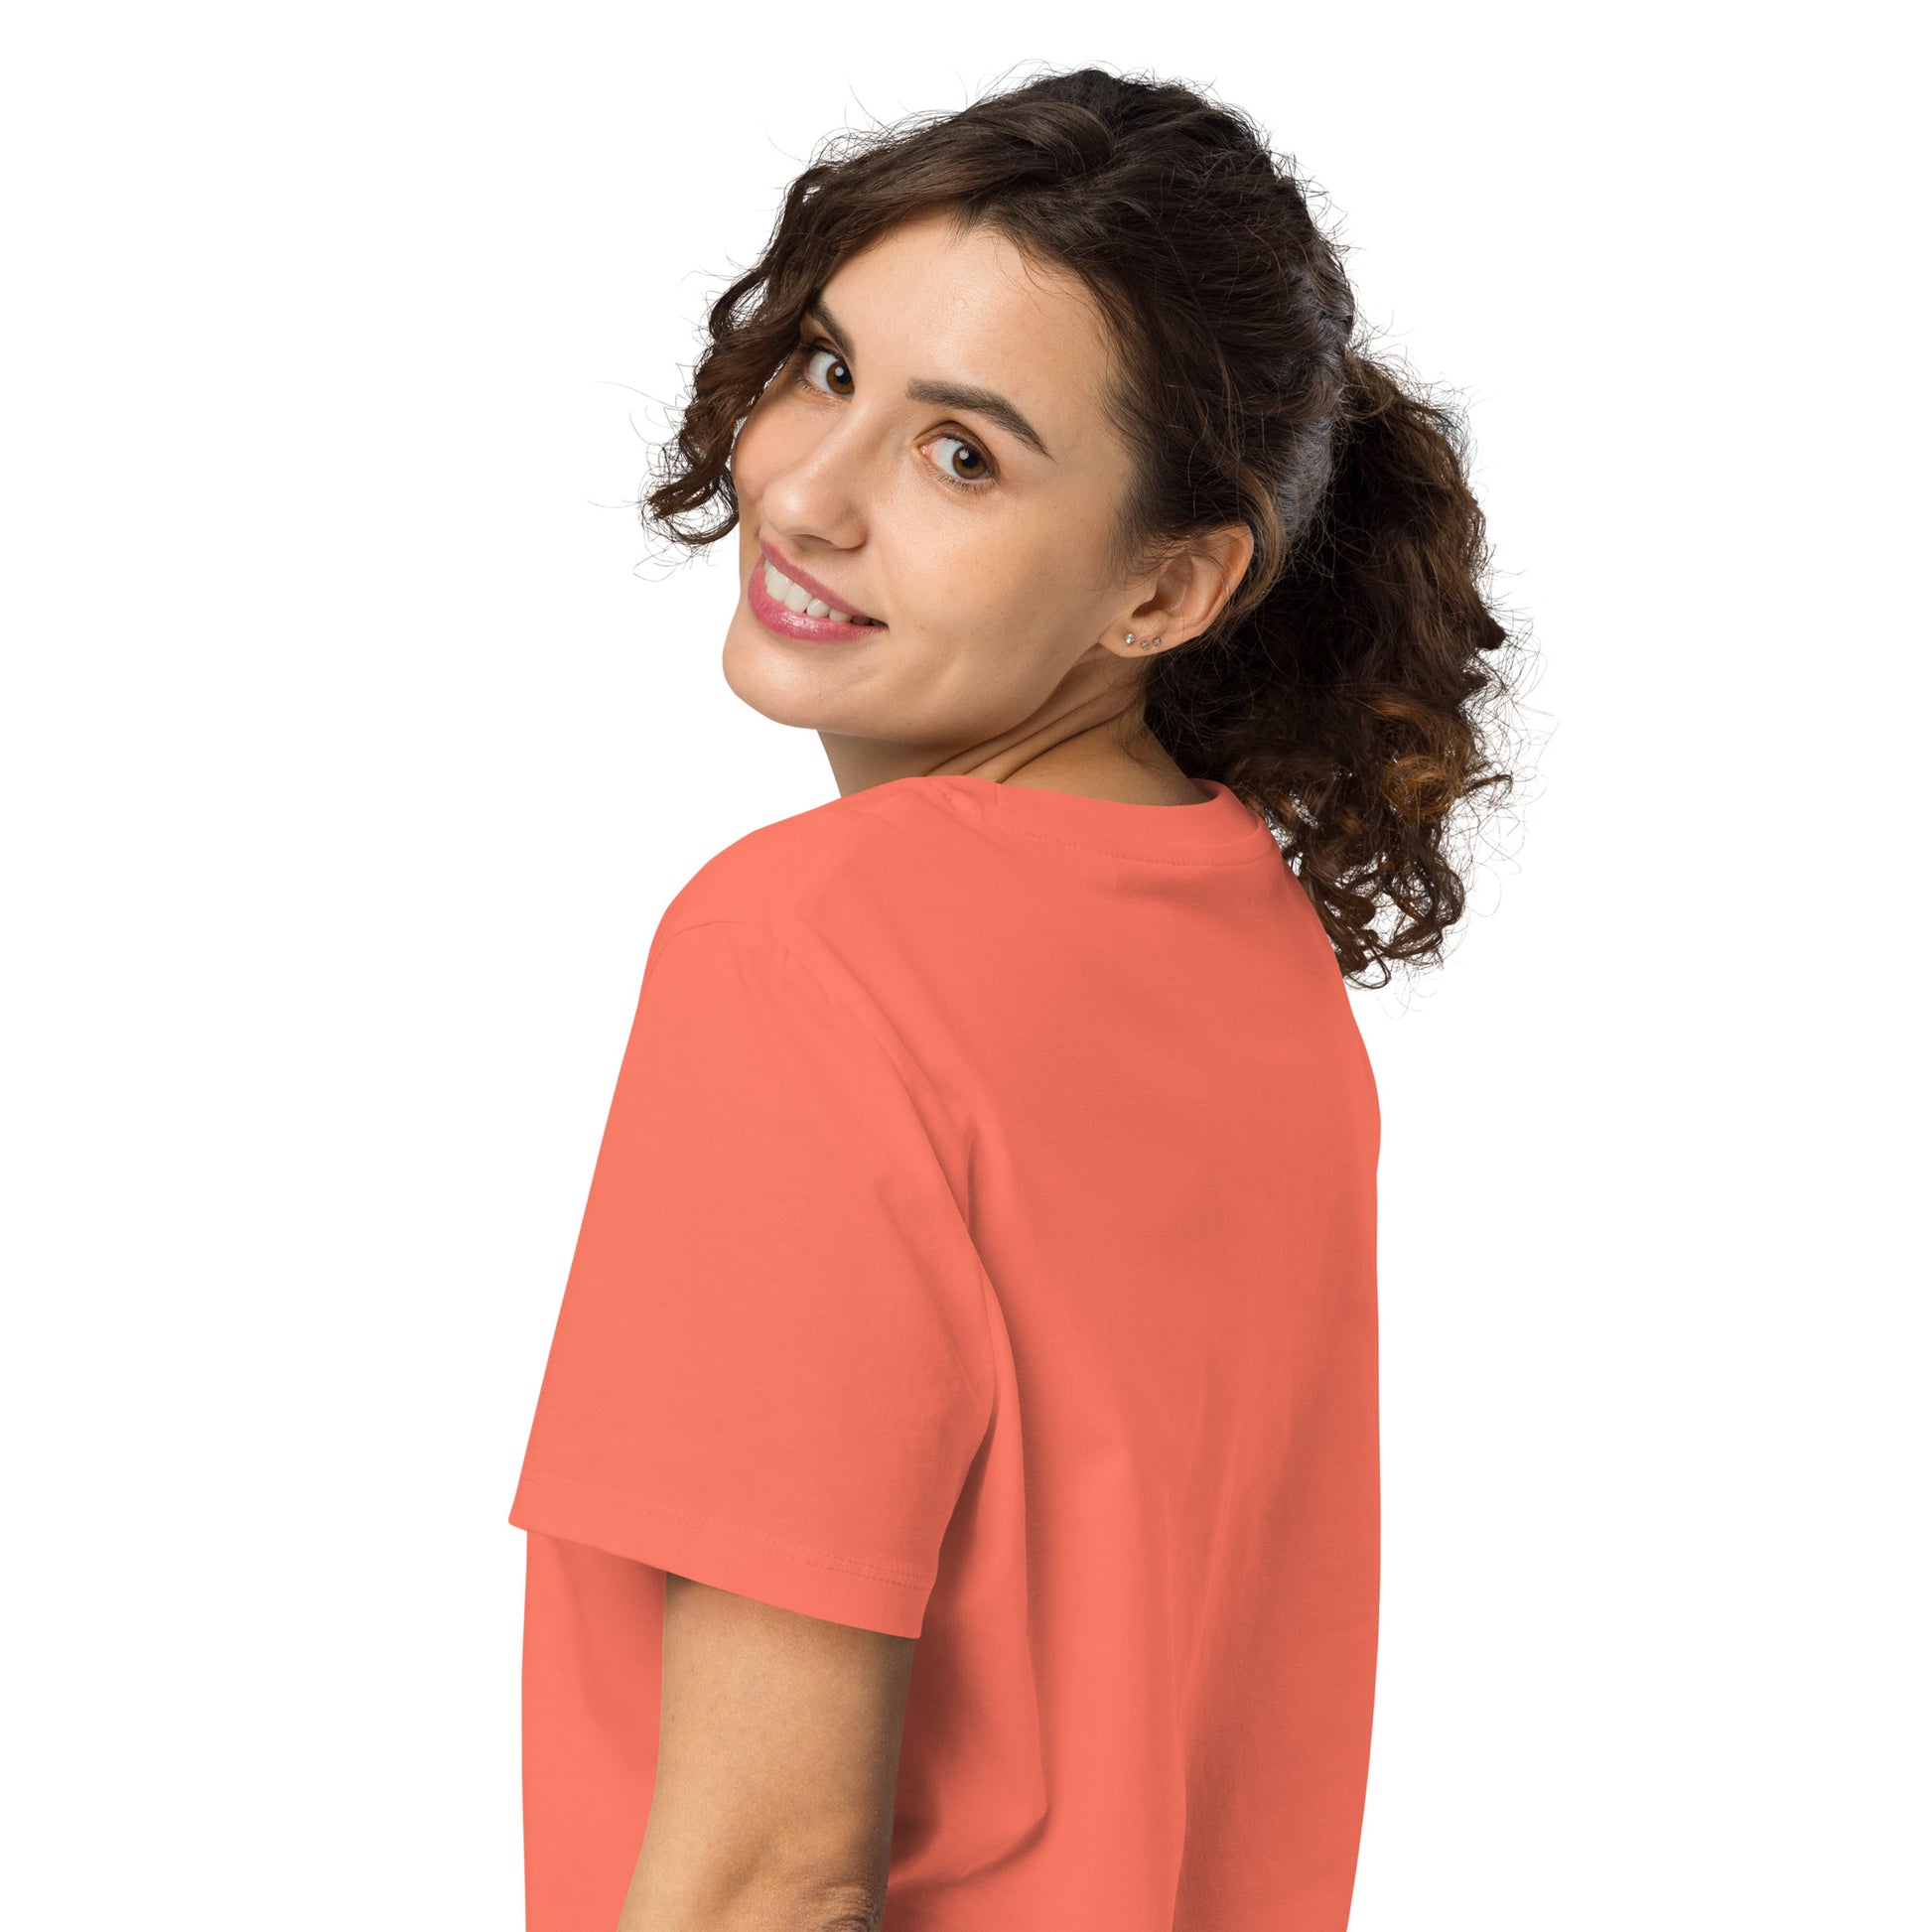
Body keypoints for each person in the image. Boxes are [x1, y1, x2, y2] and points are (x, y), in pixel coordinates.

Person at [507, 64, 1516, 1932]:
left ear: (1167, 587)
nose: (804, 489)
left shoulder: (809, 947)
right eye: (825, 368)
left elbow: (763, 1876)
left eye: (960, 452)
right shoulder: (1249, 950)